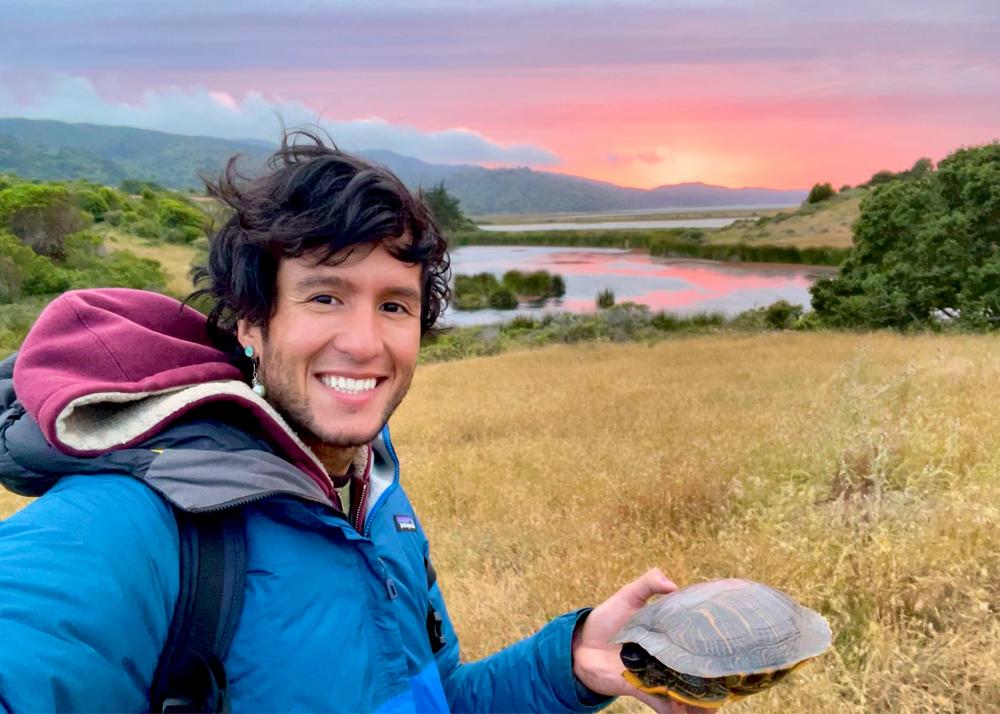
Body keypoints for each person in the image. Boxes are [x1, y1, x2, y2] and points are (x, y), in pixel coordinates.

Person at [0, 132, 703, 713]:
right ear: (252, 321)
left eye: (394, 306)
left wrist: (569, 665)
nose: (365, 343)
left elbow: (432, 703)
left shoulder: (372, 495)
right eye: (326, 296)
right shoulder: (127, 526)